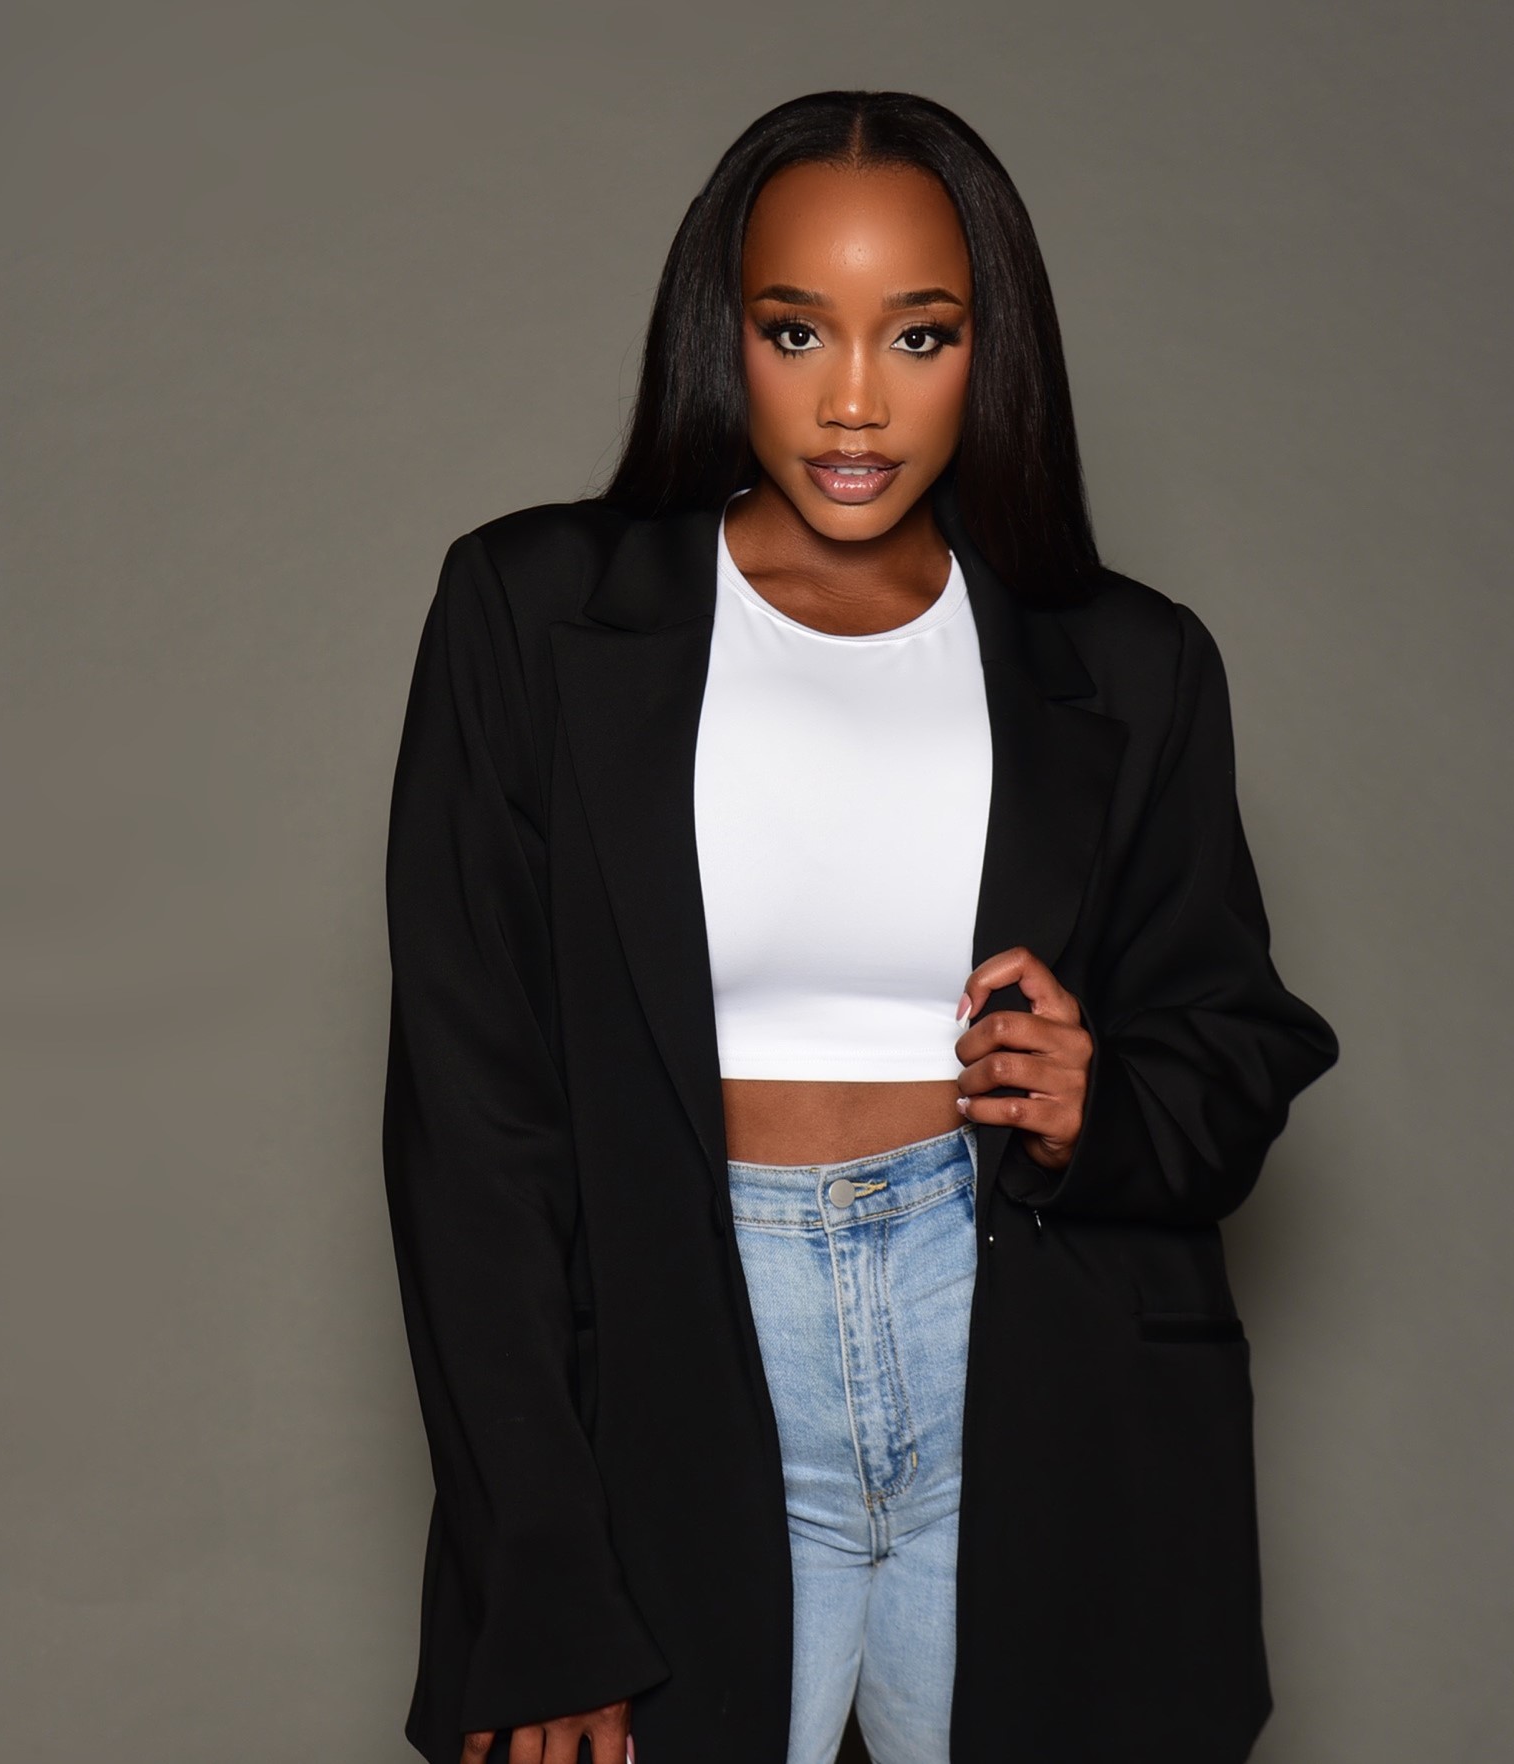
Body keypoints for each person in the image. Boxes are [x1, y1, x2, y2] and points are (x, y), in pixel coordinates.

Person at [382, 89, 1340, 1764]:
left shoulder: (1128, 663)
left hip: (1028, 1388)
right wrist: (543, 1589)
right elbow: (472, 1134)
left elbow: (1235, 1049)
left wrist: (1101, 1102)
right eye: (795, 329)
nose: (852, 400)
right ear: (723, 335)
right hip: (673, 1383)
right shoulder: (530, 618)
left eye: (918, 335)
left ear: (989, 349)